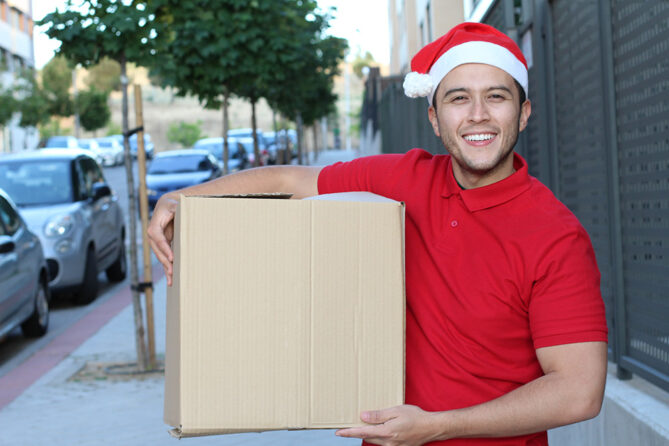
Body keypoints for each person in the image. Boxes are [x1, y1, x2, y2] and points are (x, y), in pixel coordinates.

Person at [148, 22, 608, 446]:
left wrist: (438, 426)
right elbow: (289, 181)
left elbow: (577, 392)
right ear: (434, 117)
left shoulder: (556, 236)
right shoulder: (407, 178)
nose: (478, 115)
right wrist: (182, 198)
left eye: (496, 97)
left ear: (523, 113)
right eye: (458, 98)